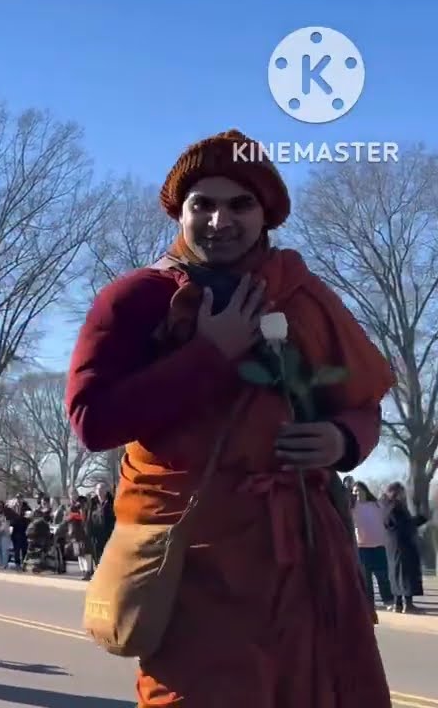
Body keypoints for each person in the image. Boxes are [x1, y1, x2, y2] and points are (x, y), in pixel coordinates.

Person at [65, 128, 393, 706]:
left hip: (304, 559)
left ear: (266, 212)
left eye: (239, 204)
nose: (220, 221)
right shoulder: (137, 297)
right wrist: (210, 354)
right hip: (193, 564)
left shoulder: (303, 294)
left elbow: (362, 401)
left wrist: (341, 440)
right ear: (179, 212)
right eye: (203, 205)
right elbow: (92, 421)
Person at [382, 481, 428, 614]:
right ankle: (408, 605)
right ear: (396, 493)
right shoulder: (396, 507)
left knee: (396, 573)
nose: (404, 494)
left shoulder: (388, 506)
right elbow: (403, 525)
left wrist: (418, 520)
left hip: (394, 544)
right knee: (405, 573)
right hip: (402, 544)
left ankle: (398, 604)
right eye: (401, 491)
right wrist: (418, 520)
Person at [352, 482, 393, 609]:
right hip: (362, 548)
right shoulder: (352, 507)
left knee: (383, 577)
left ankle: (388, 601)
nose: (357, 493)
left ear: (365, 491)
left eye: (359, 490)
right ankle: (369, 604)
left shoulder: (376, 505)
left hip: (379, 547)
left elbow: (387, 515)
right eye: (354, 491)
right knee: (366, 580)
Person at [86, 482, 115, 562]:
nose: (100, 491)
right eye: (98, 489)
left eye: (102, 489)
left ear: (106, 490)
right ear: (95, 491)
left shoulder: (112, 503)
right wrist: (89, 532)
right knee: (97, 556)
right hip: (96, 535)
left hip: (108, 534)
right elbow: (89, 518)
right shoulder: (92, 503)